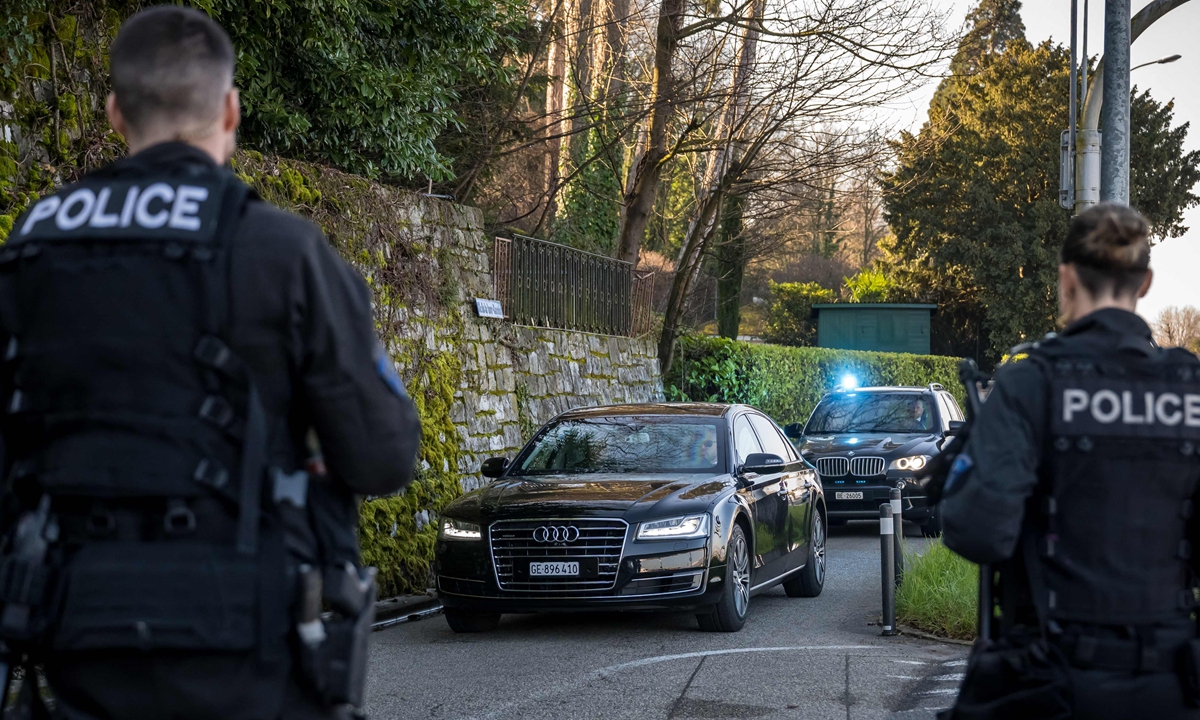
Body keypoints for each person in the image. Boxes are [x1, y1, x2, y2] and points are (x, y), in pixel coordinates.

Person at [0, 7, 420, 719]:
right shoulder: (284, 253)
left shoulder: (32, 246)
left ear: (113, 113)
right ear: (230, 108)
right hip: (250, 642)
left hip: (73, 636)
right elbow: (384, 457)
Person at [940, 203, 1200, 720]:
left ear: (1066, 278)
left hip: (1052, 680)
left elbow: (977, 531)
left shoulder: (1032, 380)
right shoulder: (1189, 387)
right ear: (1144, 282)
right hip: (1172, 682)